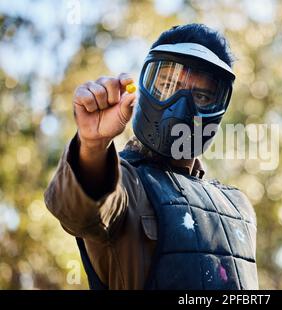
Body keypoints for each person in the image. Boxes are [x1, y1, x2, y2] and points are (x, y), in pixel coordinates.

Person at [44, 23, 258, 290]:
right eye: (168, 85)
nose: (181, 105)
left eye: (201, 95)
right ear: (144, 87)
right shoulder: (126, 184)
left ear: (218, 108)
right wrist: (92, 144)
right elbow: (79, 208)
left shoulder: (238, 206)